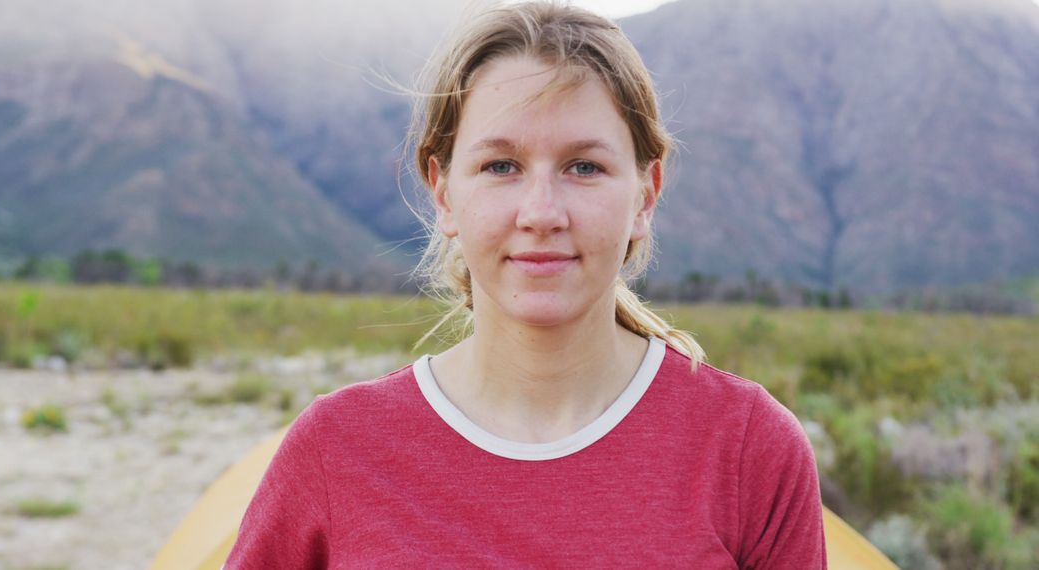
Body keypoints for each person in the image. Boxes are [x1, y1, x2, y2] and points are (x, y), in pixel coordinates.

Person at [226, 1, 826, 567]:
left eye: (584, 166)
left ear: (646, 194)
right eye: (500, 166)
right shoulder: (339, 448)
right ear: (443, 192)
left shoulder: (748, 447)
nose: (541, 213)